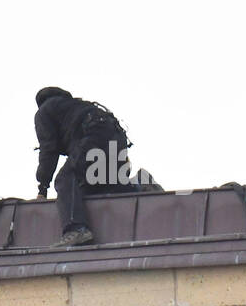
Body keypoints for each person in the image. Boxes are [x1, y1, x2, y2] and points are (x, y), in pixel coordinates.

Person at [33, 87, 157, 247]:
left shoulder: (45, 110)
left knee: (66, 178)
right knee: (102, 184)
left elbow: (48, 149)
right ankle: (140, 185)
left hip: (93, 135)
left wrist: (42, 187)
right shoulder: (75, 106)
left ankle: (76, 229)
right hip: (115, 137)